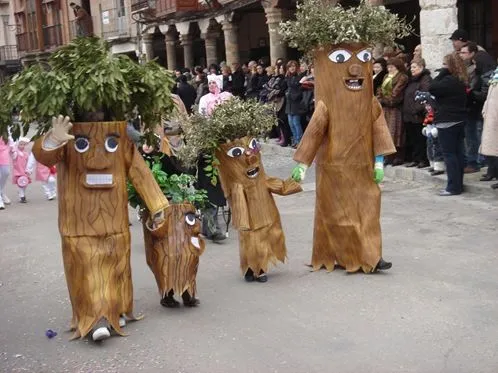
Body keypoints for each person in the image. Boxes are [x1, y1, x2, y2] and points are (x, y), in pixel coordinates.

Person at [198, 75, 233, 241]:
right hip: (208, 144)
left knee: (220, 186)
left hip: (223, 145)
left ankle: (208, 227)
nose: (212, 85)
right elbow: (201, 118)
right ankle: (212, 227)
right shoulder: (204, 99)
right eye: (209, 82)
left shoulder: (227, 97)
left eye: (214, 82)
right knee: (211, 185)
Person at [429, 53, 468, 196]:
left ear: (450, 66)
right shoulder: (460, 79)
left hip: (447, 121)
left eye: (445, 64)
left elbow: (432, 88)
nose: (442, 67)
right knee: (458, 153)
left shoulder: (448, 80)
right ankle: (458, 184)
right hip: (459, 119)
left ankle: (452, 187)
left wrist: (441, 73)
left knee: (449, 154)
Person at [377, 57, 409, 165]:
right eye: (388, 67)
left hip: (396, 108)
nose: (389, 69)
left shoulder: (402, 77)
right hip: (386, 107)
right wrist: (381, 99)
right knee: (387, 131)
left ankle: (398, 155)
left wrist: (388, 100)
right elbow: (380, 90)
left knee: (396, 131)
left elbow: (397, 92)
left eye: (392, 67)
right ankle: (389, 155)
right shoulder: (386, 76)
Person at [403, 58, 431, 168]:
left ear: (422, 67)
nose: (412, 69)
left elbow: (424, 95)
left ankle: (423, 159)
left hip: (417, 114)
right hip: (409, 114)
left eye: (415, 67)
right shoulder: (412, 80)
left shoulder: (425, 79)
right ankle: (416, 158)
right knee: (413, 138)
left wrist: (417, 109)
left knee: (420, 138)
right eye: (412, 67)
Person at [480, 66, 498, 189]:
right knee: (492, 149)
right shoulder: (495, 75)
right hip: (491, 116)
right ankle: (493, 173)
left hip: (495, 116)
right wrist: (485, 110)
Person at [285, 60, 305, 148]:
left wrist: (292, 95)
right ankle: (295, 139)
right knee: (290, 123)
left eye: (293, 66)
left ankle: (300, 141)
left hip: (296, 103)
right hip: (289, 103)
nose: (292, 68)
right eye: (290, 66)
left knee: (296, 123)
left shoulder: (300, 76)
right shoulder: (288, 77)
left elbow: (300, 89)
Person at [10, 136, 32, 203]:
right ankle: (22, 196)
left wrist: (29, 170)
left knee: (25, 183)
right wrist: (13, 151)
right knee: (20, 183)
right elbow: (13, 157)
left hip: (24, 171)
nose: (22, 146)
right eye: (21, 144)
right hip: (18, 171)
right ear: (18, 144)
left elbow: (29, 162)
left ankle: (21, 193)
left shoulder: (26, 153)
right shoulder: (16, 152)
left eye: (23, 145)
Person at [0, 131, 13, 209]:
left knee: (6, 173)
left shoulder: (5, 128)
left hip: (4, 156)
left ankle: (1, 192)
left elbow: (11, 140)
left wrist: (13, 150)